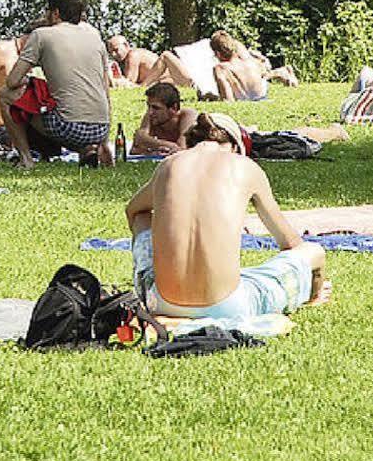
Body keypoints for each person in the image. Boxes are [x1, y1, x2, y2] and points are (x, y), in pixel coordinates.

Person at [125, 111, 330, 319]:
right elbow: (290, 242)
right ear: (235, 146)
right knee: (313, 251)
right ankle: (313, 297)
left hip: (159, 302)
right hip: (228, 306)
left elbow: (134, 211)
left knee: (143, 217)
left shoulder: (167, 165)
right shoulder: (246, 167)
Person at [0, 0, 115, 169]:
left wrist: (28, 82)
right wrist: (106, 140)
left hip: (67, 128)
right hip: (100, 129)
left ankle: (25, 158)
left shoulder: (41, 35)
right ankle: (89, 150)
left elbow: (12, 82)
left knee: (7, 95)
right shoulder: (95, 37)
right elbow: (104, 89)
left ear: (55, 13)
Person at [207, 31, 292, 100]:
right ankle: (283, 72)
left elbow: (228, 99)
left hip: (247, 98)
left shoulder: (221, 68)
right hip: (262, 96)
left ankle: (282, 72)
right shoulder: (251, 61)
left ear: (217, 53)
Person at [132, 81, 196, 156]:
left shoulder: (188, 116)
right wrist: (153, 152)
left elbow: (182, 148)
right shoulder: (151, 117)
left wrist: (147, 141)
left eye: (156, 108)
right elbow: (135, 149)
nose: (150, 112)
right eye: (149, 106)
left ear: (173, 108)